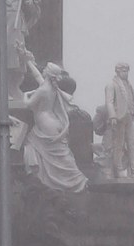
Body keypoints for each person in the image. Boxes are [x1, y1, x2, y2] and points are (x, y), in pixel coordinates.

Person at [20, 62, 89, 193]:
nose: (43, 70)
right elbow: (37, 76)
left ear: (48, 73)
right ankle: (73, 179)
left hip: (45, 124)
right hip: (54, 122)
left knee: (51, 153)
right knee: (59, 154)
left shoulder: (42, 90)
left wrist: (25, 94)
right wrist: (28, 61)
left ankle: (76, 180)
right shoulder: (51, 87)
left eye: (45, 69)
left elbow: (28, 105)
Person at [103, 62, 134, 180]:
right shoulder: (111, 85)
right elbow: (109, 102)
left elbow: (130, 100)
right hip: (119, 118)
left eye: (127, 71)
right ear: (118, 71)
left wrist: (133, 110)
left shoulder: (129, 86)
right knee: (118, 145)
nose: (126, 73)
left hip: (129, 117)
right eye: (123, 71)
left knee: (132, 144)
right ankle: (118, 169)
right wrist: (112, 116)